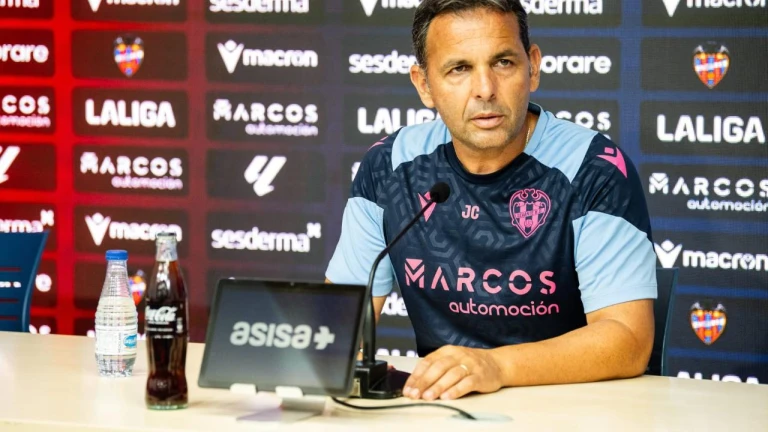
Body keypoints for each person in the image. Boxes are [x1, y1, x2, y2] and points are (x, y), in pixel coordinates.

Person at [326, 0, 657, 401]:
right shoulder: (390, 166)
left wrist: (496, 366)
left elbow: (628, 338)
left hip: (572, 406)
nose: (485, 89)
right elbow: (337, 325)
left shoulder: (594, 169)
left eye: (503, 63)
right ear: (424, 85)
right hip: (443, 409)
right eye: (459, 69)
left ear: (533, 67)